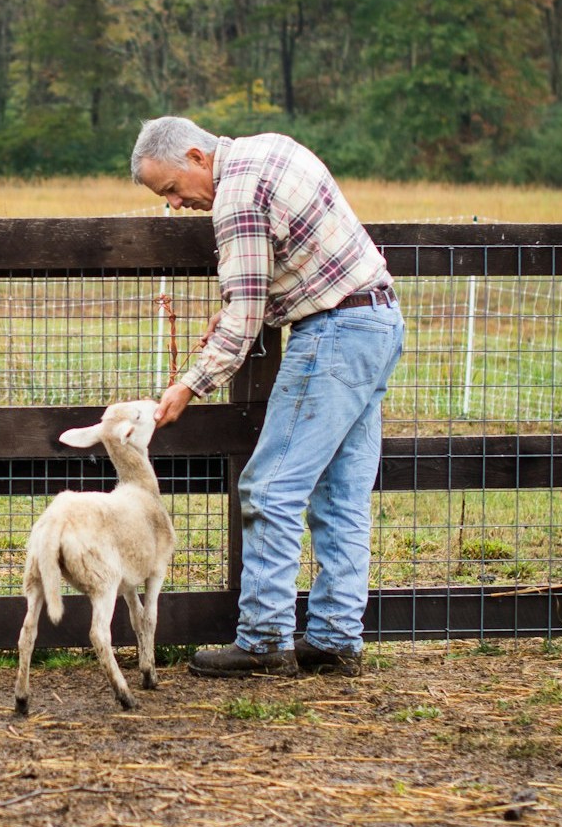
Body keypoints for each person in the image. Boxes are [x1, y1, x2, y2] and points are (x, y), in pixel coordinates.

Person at [131, 115, 404, 678]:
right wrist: (239, 310)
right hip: (377, 321)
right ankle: (334, 637)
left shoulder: (235, 197)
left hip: (334, 334)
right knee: (341, 495)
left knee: (270, 488)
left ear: (195, 158)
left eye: (173, 190)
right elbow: (288, 274)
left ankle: (263, 640)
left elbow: (246, 312)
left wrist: (189, 384)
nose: (177, 204)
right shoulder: (270, 150)